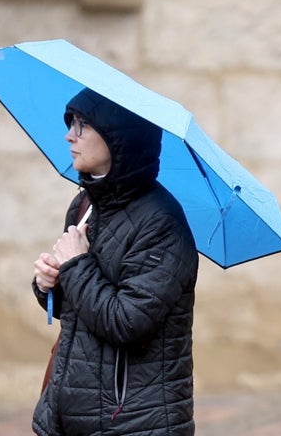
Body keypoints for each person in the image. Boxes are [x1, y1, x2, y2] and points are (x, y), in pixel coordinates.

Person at [31, 87, 199, 435]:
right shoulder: (84, 206)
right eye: (71, 123)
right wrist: (50, 284)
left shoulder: (162, 222)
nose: (69, 135)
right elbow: (79, 311)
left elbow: (128, 322)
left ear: (116, 138)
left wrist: (75, 266)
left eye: (82, 125)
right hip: (75, 413)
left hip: (134, 421)